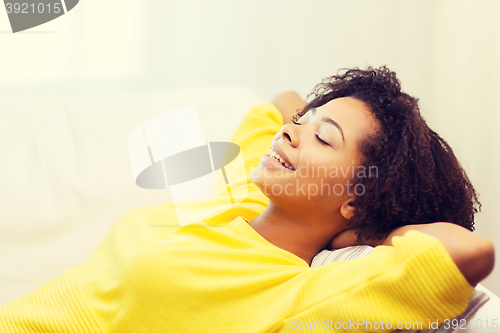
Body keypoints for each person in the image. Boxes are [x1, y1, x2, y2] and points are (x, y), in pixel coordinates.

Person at [0, 66, 494, 333]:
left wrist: (379, 226)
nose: (290, 133)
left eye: (325, 139)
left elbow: (467, 253)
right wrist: (314, 122)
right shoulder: (237, 196)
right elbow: (277, 104)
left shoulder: (295, 295)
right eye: (301, 125)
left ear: (357, 202)